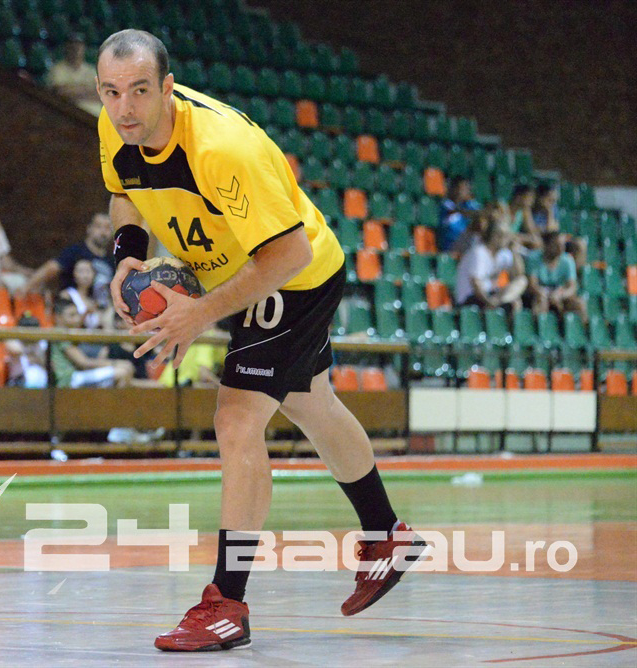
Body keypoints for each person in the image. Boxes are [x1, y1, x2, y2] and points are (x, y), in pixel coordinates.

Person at [97, 29, 422, 652]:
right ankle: (387, 533)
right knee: (311, 403)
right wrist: (128, 255)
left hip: (292, 275)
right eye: (111, 92)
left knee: (236, 419)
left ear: (167, 88)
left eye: (139, 90)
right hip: (242, 274)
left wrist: (198, 315)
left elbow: (289, 252)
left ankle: (228, 603)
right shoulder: (117, 127)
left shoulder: (223, 150)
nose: (125, 107)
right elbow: (124, 193)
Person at [23, 212, 115, 304]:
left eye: (108, 228)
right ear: (89, 229)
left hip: (99, 307)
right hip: (71, 305)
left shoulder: (111, 261)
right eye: (98, 226)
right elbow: (51, 268)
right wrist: (25, 288)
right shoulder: (75, 251)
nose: (103, 232)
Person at [49, 297, 134, 387]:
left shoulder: (71, 333)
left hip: (77, 375)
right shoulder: (60, 334)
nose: (77, 319)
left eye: (77, 314)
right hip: (69, 379)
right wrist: (115, 363)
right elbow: (83, 363)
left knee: (124, 370)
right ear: (58, 317)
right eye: (72, 315)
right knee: (122, 372)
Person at [454, 223, 527, 309]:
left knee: (521, 282)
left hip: (490, 295)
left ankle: (500, 302)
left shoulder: (503, 254)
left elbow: (518, 274)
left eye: (507, 235)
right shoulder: (479, 253)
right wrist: (489, 302)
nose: (504, 238)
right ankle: (498, 304)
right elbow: (476, 284)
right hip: (471, 298)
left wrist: (514, 251)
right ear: (491, 236)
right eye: (500, 235)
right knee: (513, 303)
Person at [525, 231, 586, 320]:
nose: (560, 249)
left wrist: (561, 295)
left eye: (562, 245)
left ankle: (582, 327)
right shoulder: (534, 258)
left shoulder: (567, 260)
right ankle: (540, 325)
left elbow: (572, 287)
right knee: (541, 301)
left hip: (559, 293)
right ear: (546, 245)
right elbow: (532, 285)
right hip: (540, 294)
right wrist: (544, 294)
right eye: (556, 245)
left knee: (579, 304)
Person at [46, 34, 102, 116]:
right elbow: (60, 93)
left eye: (79, 45)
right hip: (68, 115)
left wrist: (73, 91)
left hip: (93, 115)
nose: (75, 49)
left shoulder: (91, 71)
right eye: (72, 45)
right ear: (66, 48)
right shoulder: (57, 69)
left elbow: (101, 95)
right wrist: (87, 89)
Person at [59, 259, 111, 329]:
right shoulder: (67, 295)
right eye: (81, 271)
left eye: (88, 271)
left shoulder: (96, 298)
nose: (85, 276)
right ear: (74, 274)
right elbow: (63, 322)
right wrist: (86, 313)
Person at [438, 176, 481, 252]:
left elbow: (480, 213)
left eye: (466, 189)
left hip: (466, 245)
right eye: (461, 189)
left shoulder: (468, 205)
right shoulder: (445, 204)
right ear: (452, 189)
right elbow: (452, 211)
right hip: (450, 246)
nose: (463, 192)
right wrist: (466, 212)